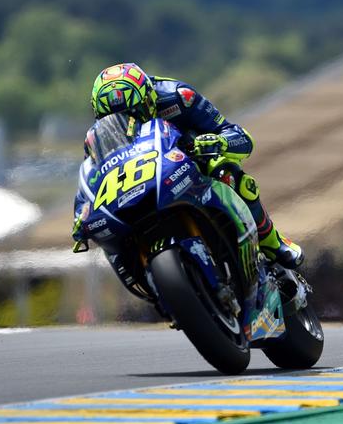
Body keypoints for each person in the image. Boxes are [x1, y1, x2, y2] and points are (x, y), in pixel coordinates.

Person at [73, 62, 303, 269]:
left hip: (187, 164)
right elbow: (91, 176)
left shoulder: (178, 97)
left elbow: (239, 136)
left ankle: (271, 240)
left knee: (228, 172)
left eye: (133, 113)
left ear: (148, 99)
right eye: (112, 117)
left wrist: (216, 142)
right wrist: (81, 213)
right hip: (136, 184)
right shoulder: (96, 139)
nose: (127, 123)